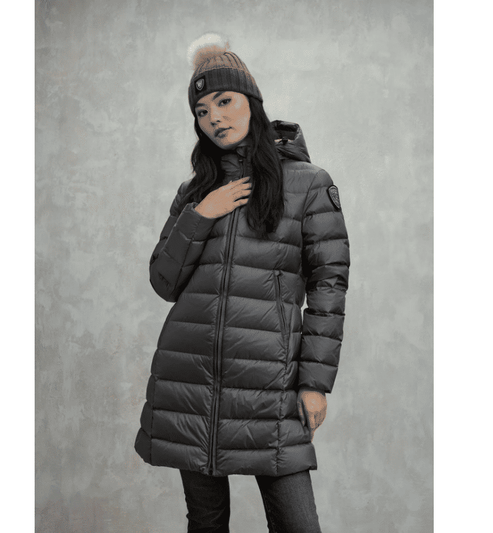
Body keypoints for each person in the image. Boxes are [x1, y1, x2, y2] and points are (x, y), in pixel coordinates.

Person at [135, 33, 350, 533]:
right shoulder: (194, 192)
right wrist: (200, 214)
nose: (214, 117)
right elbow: (163, 281)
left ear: (251, 100)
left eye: (225, 101)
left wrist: (314, 383)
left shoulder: (308, 183)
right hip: (192, 384)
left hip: (269, 388)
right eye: (202, 110)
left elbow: (329, 285)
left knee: (297, 524)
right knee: (207, 523)